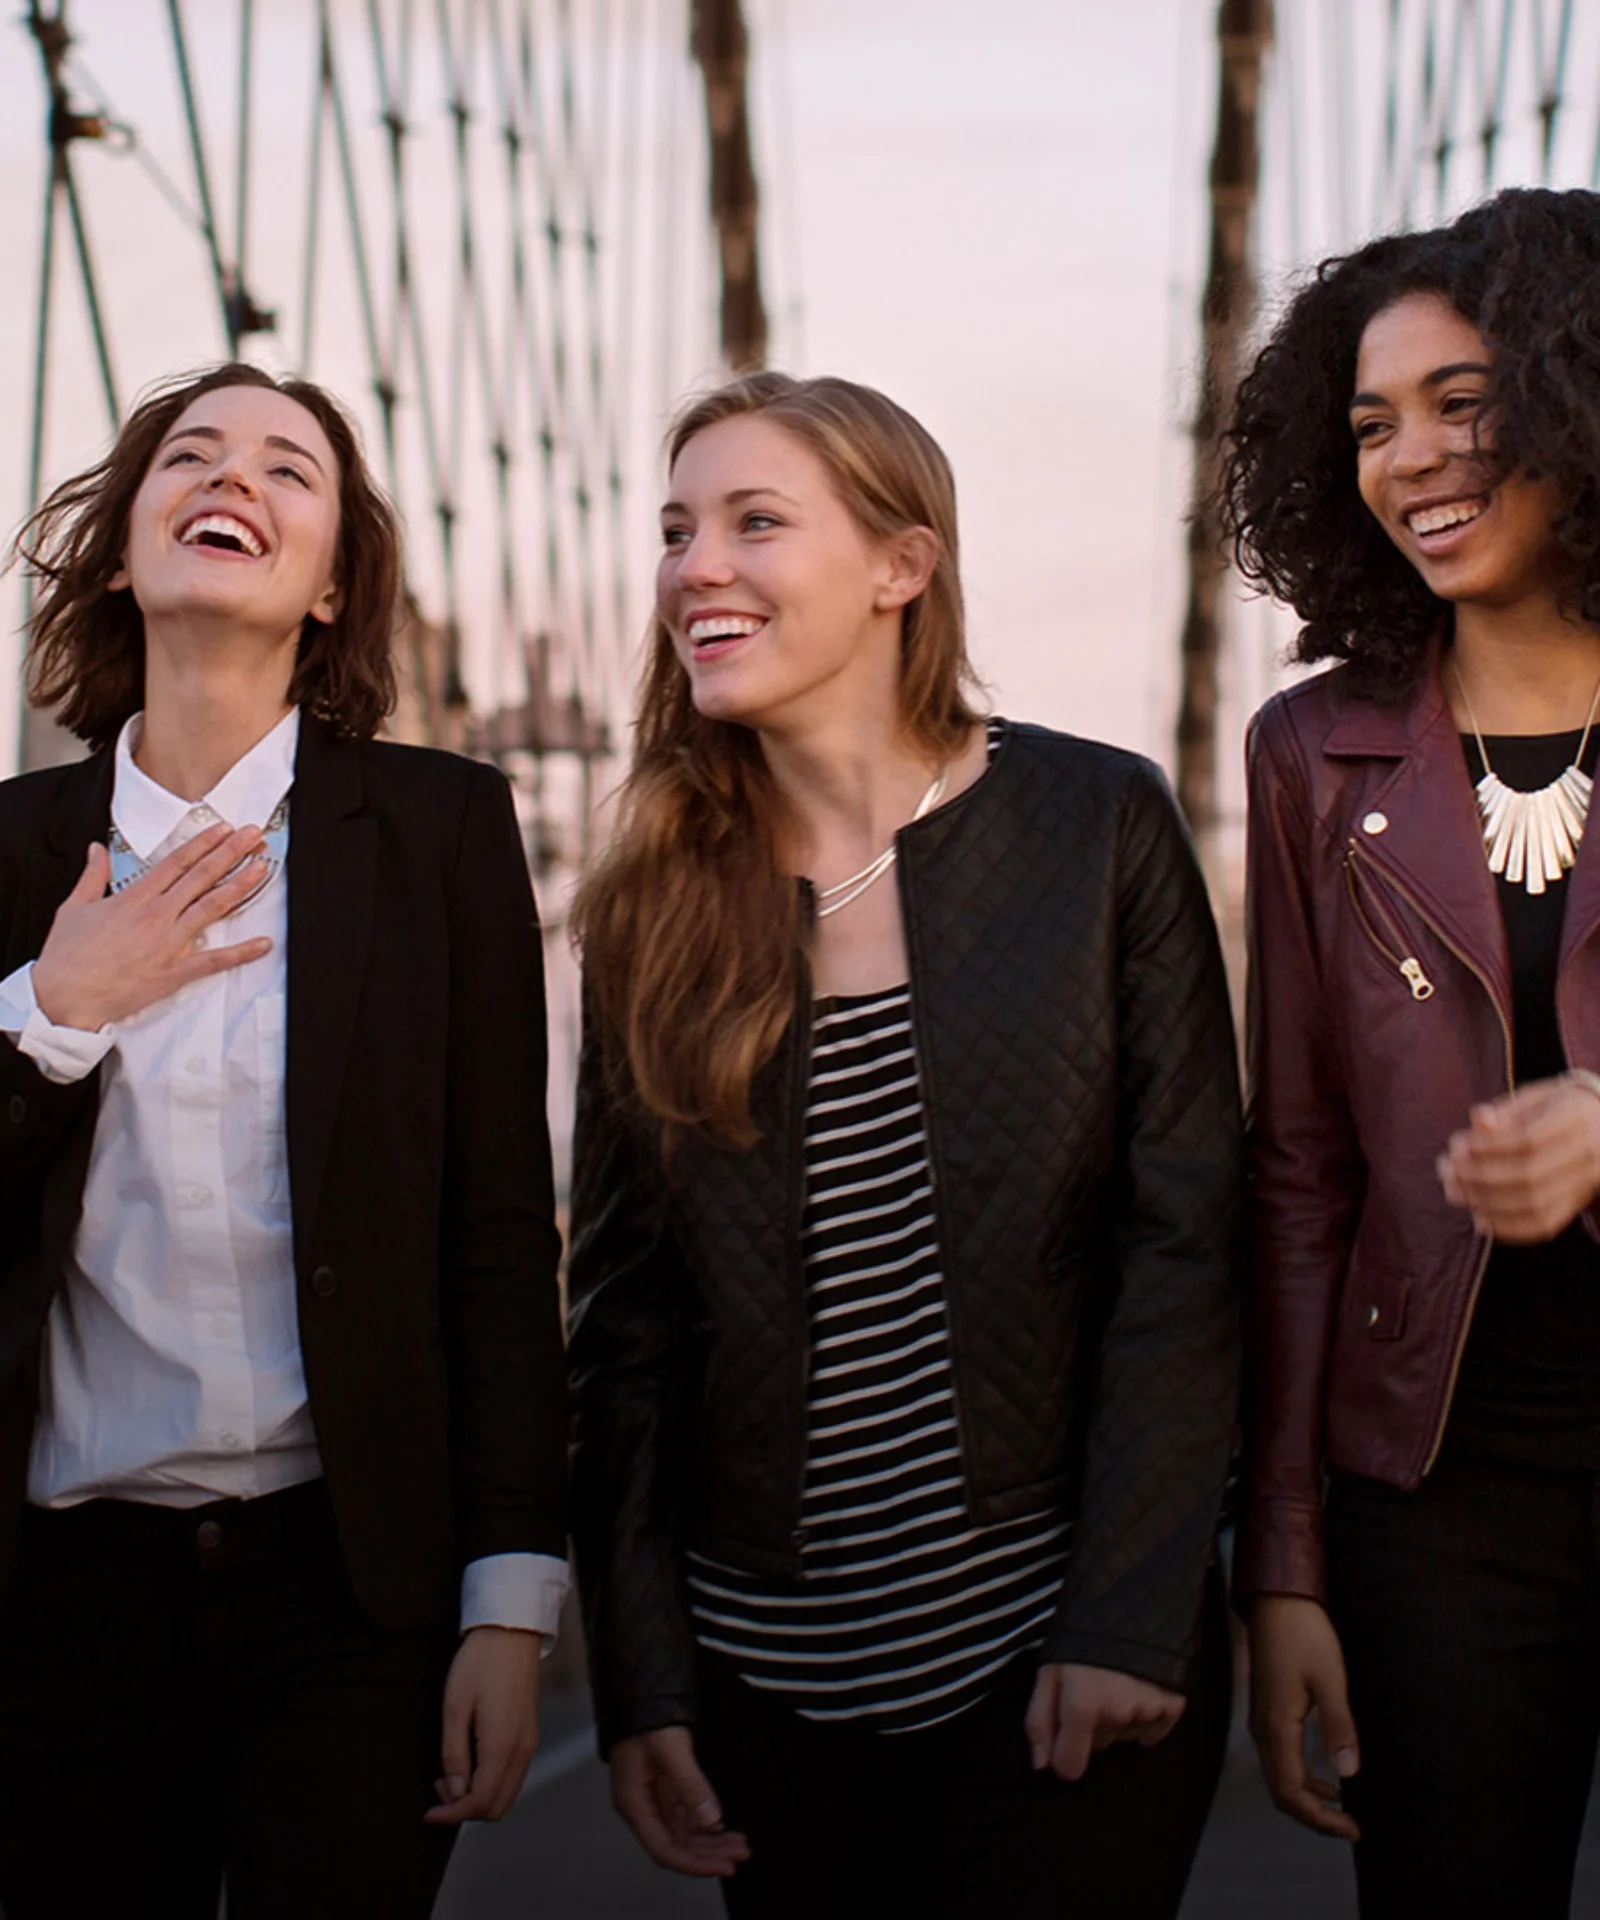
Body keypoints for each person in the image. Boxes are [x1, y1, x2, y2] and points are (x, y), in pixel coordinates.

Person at [565, 371, 1242, 1919]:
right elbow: (627, 1331)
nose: (694, 568)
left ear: (900, 567)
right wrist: (646, 1685)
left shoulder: (1099, 825)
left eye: (753, 522)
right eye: (675, 531)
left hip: (1054, 1665)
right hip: (766, 1699)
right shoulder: (653, 905)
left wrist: (1131, 1617)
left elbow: (1185, 1241)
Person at [0, 362, 568, 1918]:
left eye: (285, 471)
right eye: (188, 456)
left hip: (355, 1589)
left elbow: (501, 1232)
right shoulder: (3, 852)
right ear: (123, 549)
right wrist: (52, 1009)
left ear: (331, 588)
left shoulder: (444, 830)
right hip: (57, 1603)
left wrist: (511, 1602)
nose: (230, 480)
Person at [1227, 186, 1600, 1917]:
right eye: (1372, 423)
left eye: (1464, 401)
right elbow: (1297, 1169)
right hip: (1437, 1487)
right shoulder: (1312, 750)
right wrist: (1284, 1566)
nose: (1413, 458)